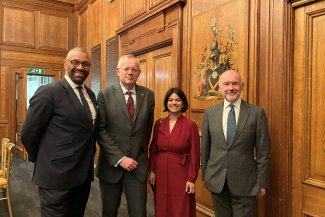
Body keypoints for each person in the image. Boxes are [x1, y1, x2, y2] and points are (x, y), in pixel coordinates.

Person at [21, 47, 97, 217]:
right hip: (56, 177)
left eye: (85, 64)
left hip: (82, 177)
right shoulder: (48, 92)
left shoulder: (91, 95)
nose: (80, 67)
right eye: (75, 62)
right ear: (65, 65)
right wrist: (43, 159)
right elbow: (28, 133)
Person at [201, 69, 270, 217]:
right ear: (219, 88)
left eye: (235, 83)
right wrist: (206, 176)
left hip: (246, 183)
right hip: (217, 182)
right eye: (226, 84)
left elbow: (263, 151)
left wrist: (262, 182)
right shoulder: (210, 113)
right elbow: (205, 148)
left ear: (242, 86)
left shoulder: (256, 113)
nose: (231, 88)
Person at [96, 54, 155, 217]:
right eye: (126, 69)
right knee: (109, 212)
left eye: (134, 69)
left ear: (139, 73)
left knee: (139, 213)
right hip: (112, 165)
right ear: (117, 71)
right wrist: (120, 158)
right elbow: (100, 131)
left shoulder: (148, 95)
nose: (130, 72)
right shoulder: (104, 95)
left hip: (138, 165)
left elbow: (147, 130)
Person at [148, 87, 200, 217]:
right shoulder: (159, 123)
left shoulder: (190, 125)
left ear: (183, 103)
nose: (174, 102)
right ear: (166, 103)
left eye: (178, 100)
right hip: (160, 172)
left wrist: (191, 179)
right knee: (162, 204)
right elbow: (153, 149)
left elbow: (195, 154)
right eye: (170, 100)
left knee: (181, 206)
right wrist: (152, 170)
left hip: (181, 172)